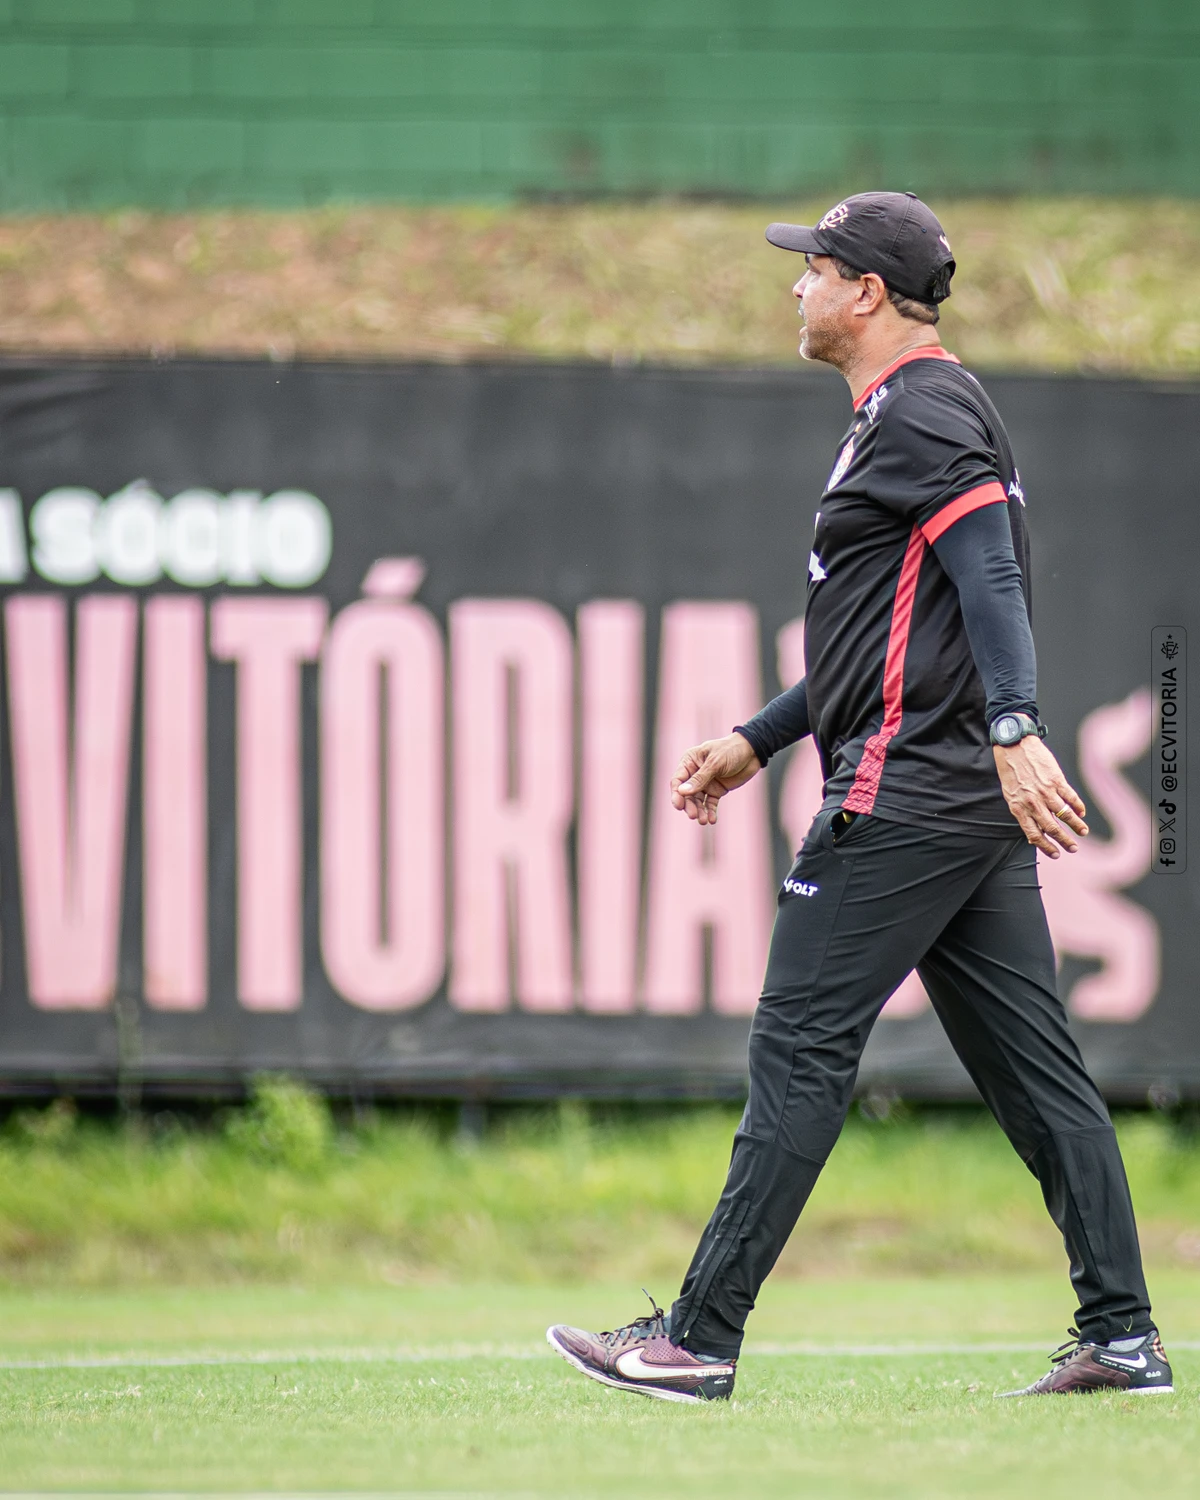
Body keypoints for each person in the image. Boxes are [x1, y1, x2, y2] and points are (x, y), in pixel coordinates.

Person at [548, 192, 1172, 1404]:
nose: (798, 286)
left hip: (904, 796)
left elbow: (990, 582)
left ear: (867, 293)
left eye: (815, 268)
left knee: (798, 1049)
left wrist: (1015, 723)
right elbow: (892, 635)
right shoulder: (915, 409)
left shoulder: (924, 408)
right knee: (1038, 1076)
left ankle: (697, 1339)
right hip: (953, 801)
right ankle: (1124, 1336)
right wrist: (763, 736)